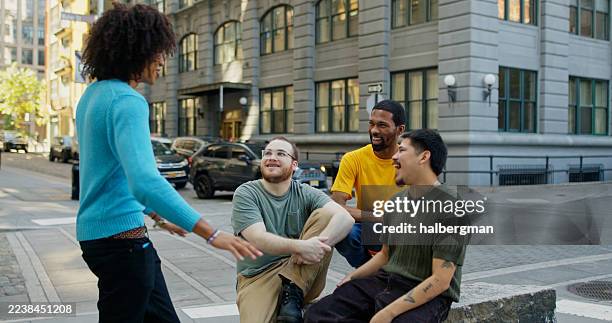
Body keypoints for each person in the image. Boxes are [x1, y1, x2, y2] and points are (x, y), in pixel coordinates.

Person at [76, 4, 260, 323]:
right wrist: (212, 233)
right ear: (137, 51)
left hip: (103, 238)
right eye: (159, 52)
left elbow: (111, 175)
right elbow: (145, 182)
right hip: (123, 245)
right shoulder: (127, 100)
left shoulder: (91, 96)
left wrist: (157, 216)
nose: (163, 60)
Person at [305, 129, 468, 323]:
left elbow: (440, 281)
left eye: (402, 151)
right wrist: (352, 277)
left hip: (429, 295)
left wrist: (387, 313)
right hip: (385, 281)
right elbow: (385, 255)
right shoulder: (396, 202)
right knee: (317, 315)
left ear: (424, 157)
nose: (394, 157)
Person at [232, 137, 354, 323]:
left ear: (294, 164)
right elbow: (258, 238)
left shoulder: (304, 192)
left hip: (302, 269)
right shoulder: (246, 193)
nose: (272, 157)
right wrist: (301, 247)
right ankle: (290, 303)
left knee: (327, 215)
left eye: (281, 154)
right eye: (268, 153)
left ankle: (293, 292)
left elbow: (345, 218)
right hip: (258, 276)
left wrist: (316, 247)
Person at [332, 100, 406, 267]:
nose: (374, 130)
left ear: (400, 130)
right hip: (368, 228)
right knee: (343, 231)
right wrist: (378, 217)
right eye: (371, 124)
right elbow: (336, 207)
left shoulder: (410, 159)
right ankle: (370, 273)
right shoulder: (353, 159)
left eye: (382, 125)